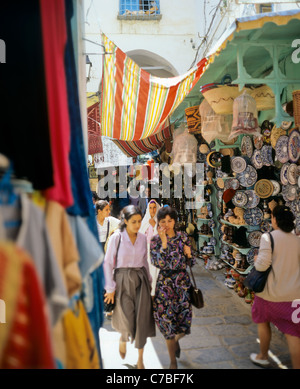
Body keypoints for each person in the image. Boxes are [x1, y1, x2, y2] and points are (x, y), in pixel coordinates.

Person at [103, 205, 155, 369]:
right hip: (122, 280)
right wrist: (110, 288)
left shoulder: (141, 238)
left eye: (139, 221)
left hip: (140, 280)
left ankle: (140, 360)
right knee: (125, 316)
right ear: (125, 221)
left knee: (142, 320)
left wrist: (149, 280)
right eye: (134, 222)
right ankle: (123, 337)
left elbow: (145, 261)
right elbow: (108, 263)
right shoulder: (116, 238)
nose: (138, 225)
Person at [250, 205, 300, 369]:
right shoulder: (297, 240)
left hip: (270, 294)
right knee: (293, 334)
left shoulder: (268, 237)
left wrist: (257, 258)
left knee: (263, 322)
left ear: (274, 220)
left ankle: (263, 356)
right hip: (293, 297)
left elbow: (262, 266)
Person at [150, 206, 196, 369]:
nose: (167, 224)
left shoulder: (183, 237)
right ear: (159, 223)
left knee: (184, 325)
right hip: (165, 286)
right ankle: (172, 362)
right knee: (167, 324)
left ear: (175, 221)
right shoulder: (155, 240)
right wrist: (164, 243)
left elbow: (191, 263)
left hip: (182, 285)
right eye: (163, 221)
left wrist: (189, 254)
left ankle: (175, 341)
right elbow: (158, 262)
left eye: (170, 220)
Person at [139, 199, 161, 297]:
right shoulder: (145, 221)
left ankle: (155, 292)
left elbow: (162, 236)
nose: (152, 210)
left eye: (154, 208)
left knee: (155, 270)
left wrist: (155, 225)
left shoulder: (160, 221)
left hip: (157, 249)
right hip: (146, 250)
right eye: (150, 208)